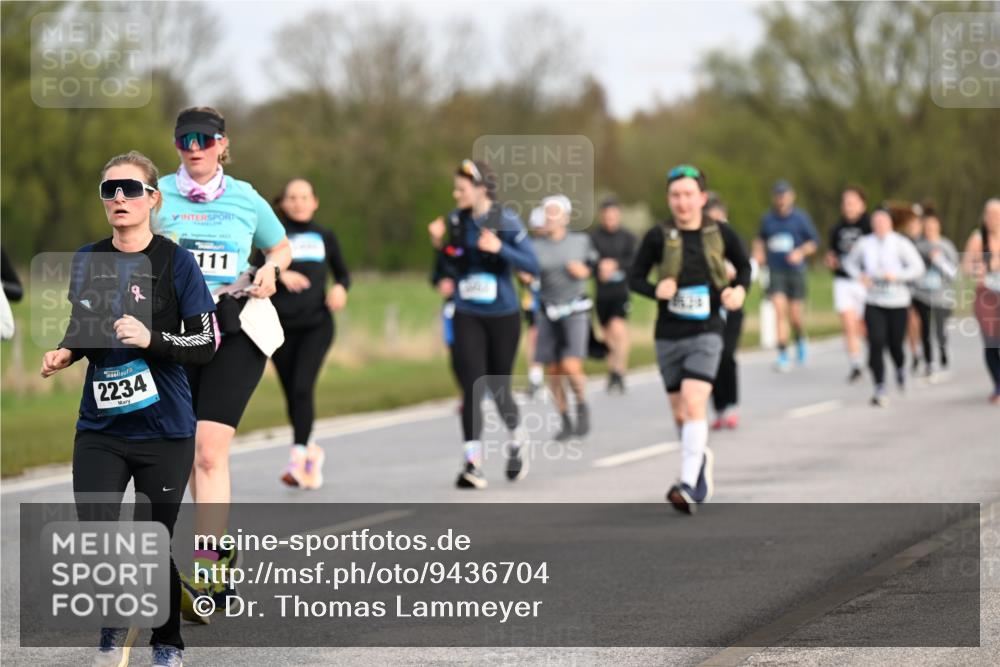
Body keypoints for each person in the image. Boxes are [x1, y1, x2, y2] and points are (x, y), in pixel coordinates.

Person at [41, 151, 218, 667]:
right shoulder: (87, 260)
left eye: (131, 189)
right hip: (101, 424)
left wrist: (152, 338)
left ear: (152, 198)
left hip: (165, 429)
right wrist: (67, 350)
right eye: (109, 190)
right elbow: (86, 326)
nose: (119, 197)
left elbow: (206, 343)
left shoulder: (175, 262)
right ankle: (114, 622)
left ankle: (167, 643)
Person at [155, 106, 291, 618]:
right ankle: (216, 552)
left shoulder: (246, 198)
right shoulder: (156, 196)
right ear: (176, 146)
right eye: (185, 139)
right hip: (176, 333)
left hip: (235, 329)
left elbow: (279, 246)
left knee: (210, 452)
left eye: (205, 140)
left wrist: (272, 270)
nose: (195, 147)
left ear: (222, 145)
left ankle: (208, 567)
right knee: (189, 449)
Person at [630, 165, 751, 514]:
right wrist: (656, 290)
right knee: (680, 413)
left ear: (701, 197)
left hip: (707, 329)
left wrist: (738, 291)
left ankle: (686, 484)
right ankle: (699, 460)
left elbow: (744, 267)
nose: (682, 202)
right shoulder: (657, 236)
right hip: (668, 333)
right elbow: (635, 278)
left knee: (694, 400)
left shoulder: (721, 232)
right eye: (675, 196)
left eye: (688, 195)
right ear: (669, 199)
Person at [428, 159, 540, 489]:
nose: (455, 193)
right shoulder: (455, 220)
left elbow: (532, 263)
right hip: (467, 311)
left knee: (497, 386)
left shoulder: (504, 219)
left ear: (481, 189)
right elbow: (451, 261)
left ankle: (518, 439)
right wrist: (439, 247)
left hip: (502, 314)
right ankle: (472, 463)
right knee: (472, 385)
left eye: (461, 189)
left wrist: (500, 247)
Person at [267, 178, 350, 489]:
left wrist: (341, 288)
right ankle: (312, 450)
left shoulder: (325, 235)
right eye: (292, 197)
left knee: (302, 387)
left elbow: (343, 273)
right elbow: (253, 269)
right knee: (292, 393)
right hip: (279, 327)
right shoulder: (273, 237)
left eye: (304, 197)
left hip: (317, 324)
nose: (298, 202)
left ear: (314, 202)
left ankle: (297, 460)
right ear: (283, 203)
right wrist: (279, 270)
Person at [843, 207, 926, 407]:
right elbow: (849, 263)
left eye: (883, 221)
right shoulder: (865, 243)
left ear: (890, 224)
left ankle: (899, 367)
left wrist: (897, 276)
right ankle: (879, 387)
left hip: (898, 301)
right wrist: (859, 276)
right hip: (874, 301)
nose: (879, 225)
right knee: (876, 343)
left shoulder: (900, 243)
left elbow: (918, 268)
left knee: (895, 345)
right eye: (876, 222)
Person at [533, 195, 599, 439]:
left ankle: (582, 404)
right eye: (546, 212)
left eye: (555, 213)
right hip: (548, 310)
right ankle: (564, 419)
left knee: (571, 364)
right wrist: (526, 278)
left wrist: (586, 271)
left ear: (566, 217)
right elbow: (526, 272)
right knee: (553, 370)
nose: (550, 217)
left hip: (575, 308)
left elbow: (596, 266)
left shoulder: (580, 241)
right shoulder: (536, 246)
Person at [753, 180, 819, 371]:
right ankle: (782, 353)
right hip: (776, 270)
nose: (781, 199)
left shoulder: (800, 218)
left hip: (795, 271)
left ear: (791, 196)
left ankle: (799, 338)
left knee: (795, 315)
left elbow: (813, 242)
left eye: (784, 195)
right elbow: (760, 238)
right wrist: (758, 252)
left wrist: (800, 252)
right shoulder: (768, 219)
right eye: (778, 195)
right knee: (779, 310)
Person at [704, 194, 747, 430]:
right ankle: (718, 408)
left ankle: (731, 404)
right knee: (711, 358)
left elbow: (746, 268)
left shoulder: (733, 239)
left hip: (730, 307)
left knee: (727, 354)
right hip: (708, 307)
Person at [590, 197, 636, 393]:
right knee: (607, 334)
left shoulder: (628, 237)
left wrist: (615, 264)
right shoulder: (594, 238)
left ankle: (620, 370)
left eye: (613, 215)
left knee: (618, 329)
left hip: (620, 292)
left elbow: (635, 261)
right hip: (602, 293)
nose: (610, 219)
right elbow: (587, 261)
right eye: (606, 216)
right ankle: (612, 371)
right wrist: (599, 267)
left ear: (618, 215)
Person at [826, 186, 871, 382]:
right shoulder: (837, 229)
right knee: (848, 323)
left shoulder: (869, 226)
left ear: (862, 204)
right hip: (843, 280)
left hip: (864, 281)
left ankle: (873, 354)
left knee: (864, 325)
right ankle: (856, 364)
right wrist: (831, 261)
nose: (848, 207)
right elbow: (832, 254)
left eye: (852, 202)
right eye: (845, 203)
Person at [912, 208, 959, 377]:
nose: (930, 228)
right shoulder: (918, 246)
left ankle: (943, 348)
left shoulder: (946, 245)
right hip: (922, 294)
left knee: (940, 329)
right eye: (927, 225)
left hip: (942, 294)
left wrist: (939, 260)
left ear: (939, 226)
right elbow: (912, 269)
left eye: (933, 225)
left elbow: (953, 273)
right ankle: (929, 362)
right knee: (925, 328)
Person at [962, 198, 1000, 405]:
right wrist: (978, 269)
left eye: (997, 215)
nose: (993, 219)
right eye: (989, 215)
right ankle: (998, 385)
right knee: (991, 341)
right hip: (986, 294)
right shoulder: (978, 238)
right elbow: (966, 267)